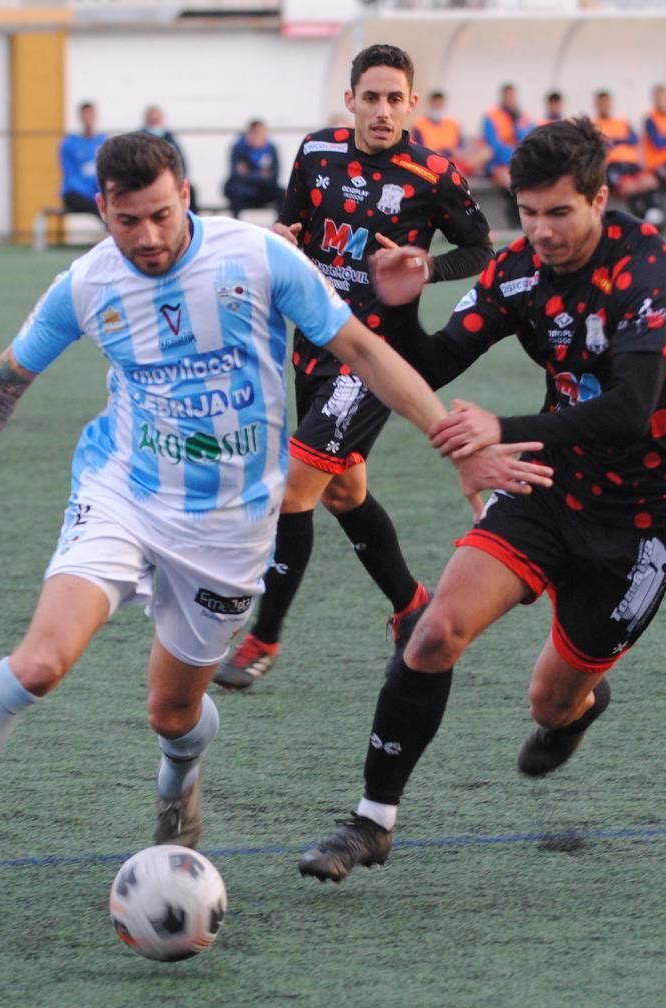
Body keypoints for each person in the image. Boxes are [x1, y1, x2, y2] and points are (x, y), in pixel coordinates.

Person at [0, 131, 547, 897]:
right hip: (122, 493)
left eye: (163, 215)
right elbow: (5, 381)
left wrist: (452, 441)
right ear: (103, 209)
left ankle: (179, 777)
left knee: (173, 710)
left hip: (230, 525)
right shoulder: (86, 284)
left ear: (187, 197)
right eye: (128, 220)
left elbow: (364, 351)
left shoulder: (259, 258)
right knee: (40, 661)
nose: (148, 237)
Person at [295, 117, 666, 882]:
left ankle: (577, 709)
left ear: (599, 198)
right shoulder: (522, 269)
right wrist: (401, 304)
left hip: (646, 515)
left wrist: (503, 427)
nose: (541, 231)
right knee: (433, 636)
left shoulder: (645, 269)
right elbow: (427, 362)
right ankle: (370, 822)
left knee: (549, 699)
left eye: (559, 212)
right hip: (550, 479)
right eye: (527, 214)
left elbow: (631, 408)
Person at [213, 44, 495, 691]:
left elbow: (479, 245)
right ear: (351, 100)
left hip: (374, 357)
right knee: (343, 490)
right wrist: (281, 237)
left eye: (395, 98)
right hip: (313, 343)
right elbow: (295, 225)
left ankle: (263, 637)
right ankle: (410, 604)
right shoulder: (316, 153)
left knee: (296, 490)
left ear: (412, 104)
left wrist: (429, 265)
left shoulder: (434, 173)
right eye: (371, 96)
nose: (383, 109)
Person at [592, 90, 661, 222]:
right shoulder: (594, 123)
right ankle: (641, 219)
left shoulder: (622, 122)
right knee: (628, 187)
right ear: (596, 104)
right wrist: (619, 140)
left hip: (630, 162)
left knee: (649, 181)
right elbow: (601, 143)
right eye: (601, 103)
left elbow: (633, 139)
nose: (604, 106)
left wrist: (614, 140)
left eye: (606, 103)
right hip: (612, 165)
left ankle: (653, 213)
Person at [411, 90, 488, 179]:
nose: (437, 107)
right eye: (435, 104)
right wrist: (446, 152)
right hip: (432, 161)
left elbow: (460, 149)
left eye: (440, 104)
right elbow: (418, 150)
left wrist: (455, 153)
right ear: (430, 104)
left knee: (485, 152)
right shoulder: (419, 124)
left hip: (455, 160)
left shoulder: (453, 123)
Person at [224, 119, 283, 219]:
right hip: (245, 190)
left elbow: (274, 176)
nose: (258, 136)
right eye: (255, 133)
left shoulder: (271, 149)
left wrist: (249, 174)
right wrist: (261, 175)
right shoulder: (239, 148)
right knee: (233, 191)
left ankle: (281, 225)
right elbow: (236, 174)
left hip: (264, 190)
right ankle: (236, 226)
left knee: (283, 194)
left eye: (261, 133)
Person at [141, 104, 196, 211]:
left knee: (191, 190)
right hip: (144, 181)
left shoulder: (171, 138)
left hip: (169, 179)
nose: (154, 120)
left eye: (157, 117)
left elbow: (180, 161)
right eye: (152, 117)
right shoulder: (139, 139)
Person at [481, 82, 533, 194]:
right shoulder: (491, 116)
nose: (510, 99)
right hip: (500, 164)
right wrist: (514, 156)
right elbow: (493, 145)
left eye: (512, 96)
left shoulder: (522, 117)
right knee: (513, 184)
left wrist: (516, 121)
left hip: (520, 163)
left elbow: (527, 141)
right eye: (507, 96)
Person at [60, 101, 106, 217]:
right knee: (102, 209)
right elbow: (70, 175)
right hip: (77, 194)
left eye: (91, 114)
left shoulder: (103, 142)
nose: (88, 118)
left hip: (97, 193)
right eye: (85, 115)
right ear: (80, 117)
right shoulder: (69, 144)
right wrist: (90, 194)